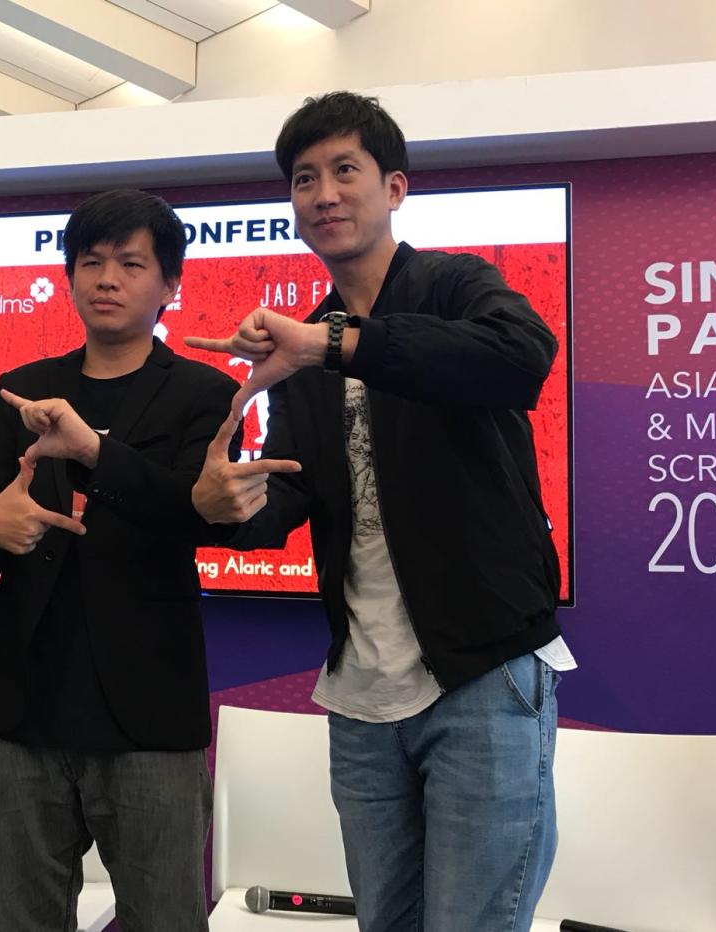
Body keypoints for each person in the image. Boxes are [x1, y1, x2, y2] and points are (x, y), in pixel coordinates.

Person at [187, 91, 574, 932]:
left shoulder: (453, 283)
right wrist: (225, 506)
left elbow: (522, 358)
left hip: (482, 674)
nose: (323, 193)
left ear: (394, 187)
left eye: (345, 171)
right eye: (303, 178)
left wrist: (337, 344)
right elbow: (293, 489)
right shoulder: (308, 340)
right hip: (361, 695)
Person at [0, 189, 291, 932]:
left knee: (165, 918)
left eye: (131, 264)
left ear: (170, 284)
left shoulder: (207, 395)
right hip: (26, 709)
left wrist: (93, 452)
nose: (107, 278)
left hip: (148, 712)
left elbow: (197, 511)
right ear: (70, 276)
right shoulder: (25, 389)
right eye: (91, 262)